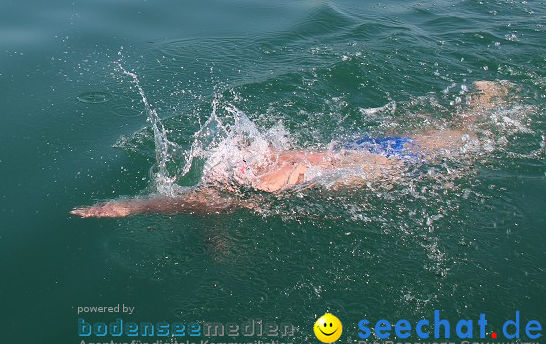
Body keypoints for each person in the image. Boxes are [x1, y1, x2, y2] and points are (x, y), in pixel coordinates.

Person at [70, 80, 511, 218]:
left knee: (457, 144)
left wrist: (131, 207)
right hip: (367, 152)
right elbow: (202, 203)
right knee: (447, 137)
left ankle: (487, 103)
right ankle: (484, 102)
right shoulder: (265, 168)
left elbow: (201, 204)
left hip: (387, 160)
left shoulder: (264, 180)